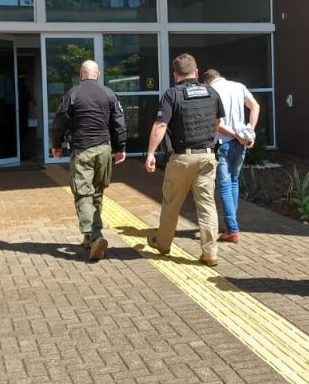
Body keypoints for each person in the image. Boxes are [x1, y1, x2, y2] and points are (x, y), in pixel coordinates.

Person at [145, 54, 225, 266]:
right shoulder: (212, 92)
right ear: (196, 72)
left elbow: (161, 125)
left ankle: (163, 244)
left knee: (171, 203)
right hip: (207, 156)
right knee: (206, 205)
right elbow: (217, 122)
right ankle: (210, 253)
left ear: (175, 75)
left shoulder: (172, 94)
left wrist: (151, 153)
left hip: (182, 158)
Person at [50, 60, 127, 262]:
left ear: (80, 74)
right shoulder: (108, 93)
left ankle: (95, 235)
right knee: (97, 193)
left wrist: (56, 144)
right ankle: (89, 240)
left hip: (83, 149)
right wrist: (121, 147)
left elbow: (59, 121)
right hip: (104, 149)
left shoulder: (72, 94)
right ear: (98, 74)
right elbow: (119, 123)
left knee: (83, 194)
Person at [201, 68, 261, 244]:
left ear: (206, 81)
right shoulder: (239, 86)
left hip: (223, 143)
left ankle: (232, 229)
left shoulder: (211, 91)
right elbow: (255, 106)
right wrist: (249, 131)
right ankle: (230, 225)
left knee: (225, 186)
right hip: (240, 144)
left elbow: (215, 123)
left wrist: (235, 135)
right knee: (234, 181)